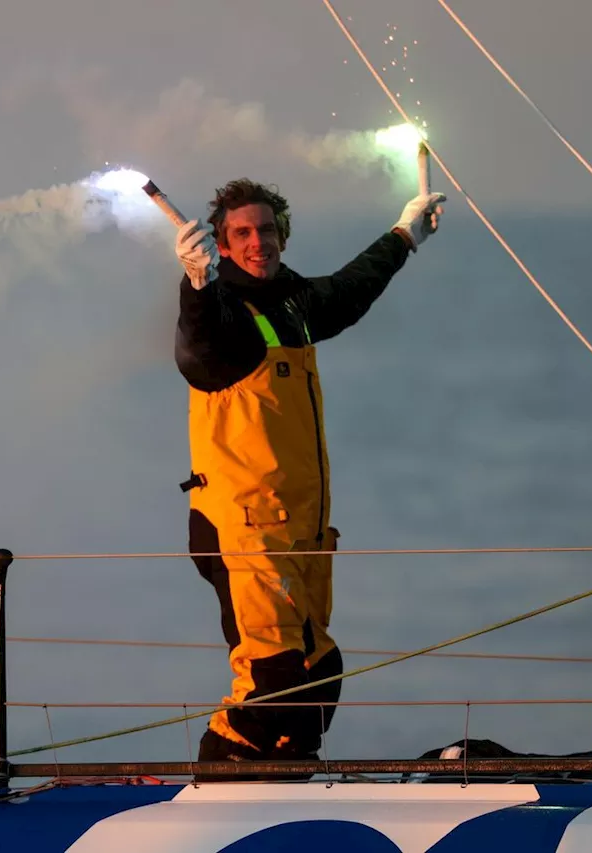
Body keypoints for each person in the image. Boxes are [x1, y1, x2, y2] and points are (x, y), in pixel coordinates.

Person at [173, 178, 445, 780]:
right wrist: (194, 284)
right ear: (220, 244)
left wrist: (404, 236)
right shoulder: (223, 311)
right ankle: (209, 796)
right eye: (240, 234)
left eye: (266, 230)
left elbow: (348, 291)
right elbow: (196, 351)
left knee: (318, 676)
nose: (257, 242)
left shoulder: (293, 304)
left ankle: (289, 783)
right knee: (270, 681)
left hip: (302, 531)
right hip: (245, 529)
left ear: (282, 235)